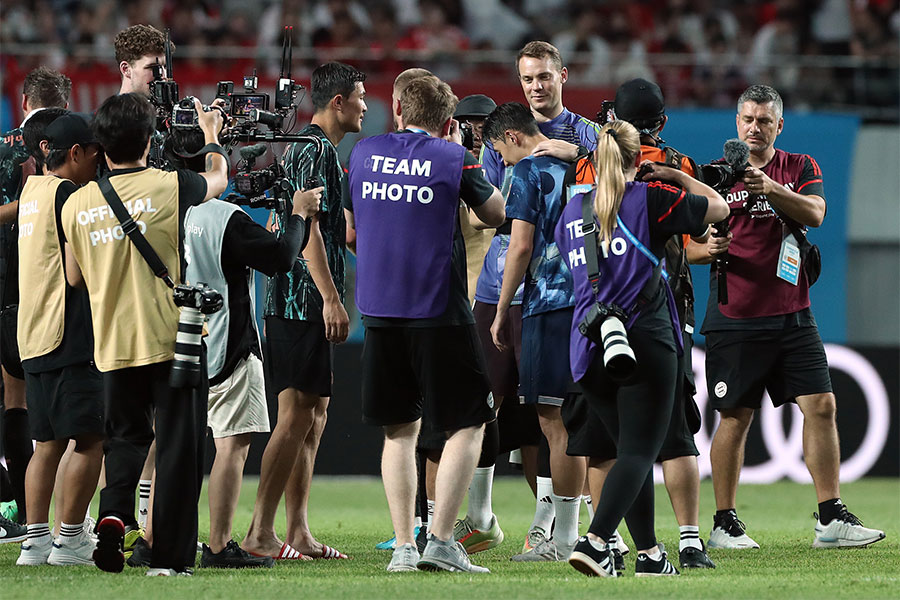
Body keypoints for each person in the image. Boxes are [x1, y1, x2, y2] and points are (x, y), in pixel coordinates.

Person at [697, 84, 885, 550]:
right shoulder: (716, 175)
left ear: (779, 125)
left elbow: (817, 213)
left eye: (764, 121)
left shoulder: (799, 167)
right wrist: (706, 249)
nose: (754, 128)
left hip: (793, 314)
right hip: (734, 313)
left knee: (822, 405)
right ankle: (724, 523)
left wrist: (772, 188)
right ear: (736, 123)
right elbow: (686, 242)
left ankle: (830, 517)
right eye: (747, 119)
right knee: (734, 418)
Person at [60, 93, 227, 576]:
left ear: (101, 145)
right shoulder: (169, 185)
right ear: (150, 140)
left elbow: (74, 277)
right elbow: (218, 179)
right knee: (179, 448)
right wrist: (212, 137)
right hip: (172, 339)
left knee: (124, 441)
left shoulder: (78, 203)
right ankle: (170, 560)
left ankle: (112, 515)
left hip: (112, 343)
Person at [345, 75, 505, 573]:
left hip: (378, 310)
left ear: (396, 108)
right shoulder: (454, 157)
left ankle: (403, 547)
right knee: (469, 421)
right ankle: (440, 540)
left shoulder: (363, 154)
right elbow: (496, 212)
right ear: (448, 121)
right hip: (437, 308)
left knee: (399, 431)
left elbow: (352, 232)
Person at [557, 120, 728, 577]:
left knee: (626, 449)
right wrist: (675, 176)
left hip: (586, 345)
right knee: (638, 453)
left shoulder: (571, 211)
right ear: (639, 158)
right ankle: (596, 542)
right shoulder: (650, 199)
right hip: (644, 341)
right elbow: (718, 208)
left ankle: (650, 555)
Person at [176, 131, 323, 569]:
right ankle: (219, 544)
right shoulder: (226, 217)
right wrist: (298, 216)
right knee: (231, 445)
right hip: (229, 339)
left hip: (180, 339)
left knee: (172, 445)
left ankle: (154, 534)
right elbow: (281, 258)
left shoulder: (171, 208)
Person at [477, 40, 600, 557]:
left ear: (563, 76)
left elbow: (619, 181)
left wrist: (580, 155)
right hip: (505, 282)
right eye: (527, 79)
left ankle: (556, 524)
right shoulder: (500, 139)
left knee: (556, 412)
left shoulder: (586, 135)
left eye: (544, 77)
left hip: (554, 290)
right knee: (498, 401)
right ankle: (483, 515)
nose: (536, 86)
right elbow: (489, 212)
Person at [242, 62, 365, 561]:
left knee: (314, 415)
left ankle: (298, 531)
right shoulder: (313, 149)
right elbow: (307, 228)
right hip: (298, 301)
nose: (364, 105)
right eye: (358, 96)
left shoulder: (319, 152)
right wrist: (332, 298)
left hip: (303, 300)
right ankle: (258, 532)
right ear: (337, 102)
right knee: (294, 415)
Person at [14, 113, 104, 566]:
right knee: (90, 440)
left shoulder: (31, 191)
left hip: (31, 335)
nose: (98, 162)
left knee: (45, 445)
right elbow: (75, 272)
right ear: (75, 154)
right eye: (93, 154)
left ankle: (34, 541)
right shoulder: (69, 195)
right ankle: (69, 540)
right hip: (66, 333)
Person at [0, 67, 71, 536]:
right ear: (62, 104)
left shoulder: (5, 145)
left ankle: (17, 510)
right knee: (53, 402)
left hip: (6, 288)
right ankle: (46, 516)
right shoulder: (75, 147)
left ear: (25, 100)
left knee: (13, 397)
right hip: (56, 286)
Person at [115, 24, 172, 96]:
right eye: (153, 67)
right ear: (126, 69)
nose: (164, 75)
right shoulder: (112, 107)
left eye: (165, 67)